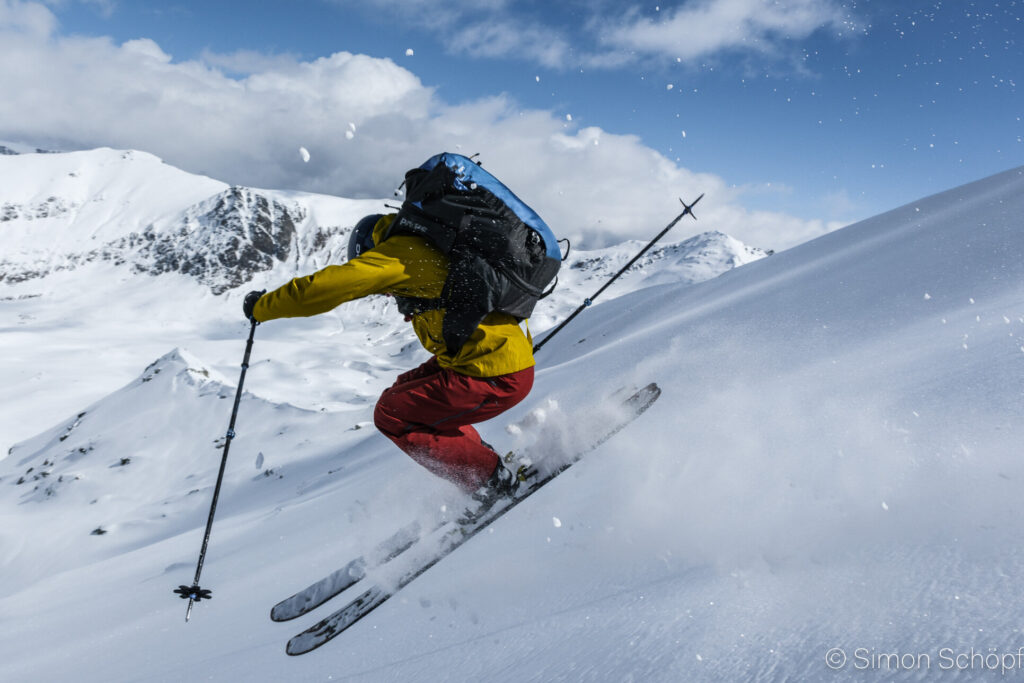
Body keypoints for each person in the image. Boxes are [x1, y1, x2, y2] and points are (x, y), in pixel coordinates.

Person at [242, 211, 535, 509]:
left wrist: (262, 307)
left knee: (392, 415)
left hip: (496, 372)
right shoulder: (429, 245)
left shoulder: (398, 255)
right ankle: (483, 462)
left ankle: (492, 482)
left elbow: (324, 287)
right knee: (404, 389)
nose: (386, 294)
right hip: (489, 358)